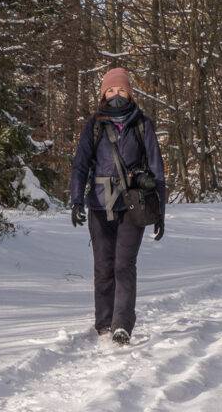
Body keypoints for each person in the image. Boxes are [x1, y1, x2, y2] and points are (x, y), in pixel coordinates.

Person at [69, 67, 167, 345]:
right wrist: (76, 199)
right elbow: (80, 164)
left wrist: (160, 213)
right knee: (103, 266)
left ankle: (122, 324)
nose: (116, 95)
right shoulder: (94, 125)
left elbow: (157, 170)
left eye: (121, 90)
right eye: (110, 90)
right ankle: (104, 322)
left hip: (132, 206)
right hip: (99, 205)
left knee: (124, 265)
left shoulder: (142, 125)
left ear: (130, 93)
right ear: (103, 94)